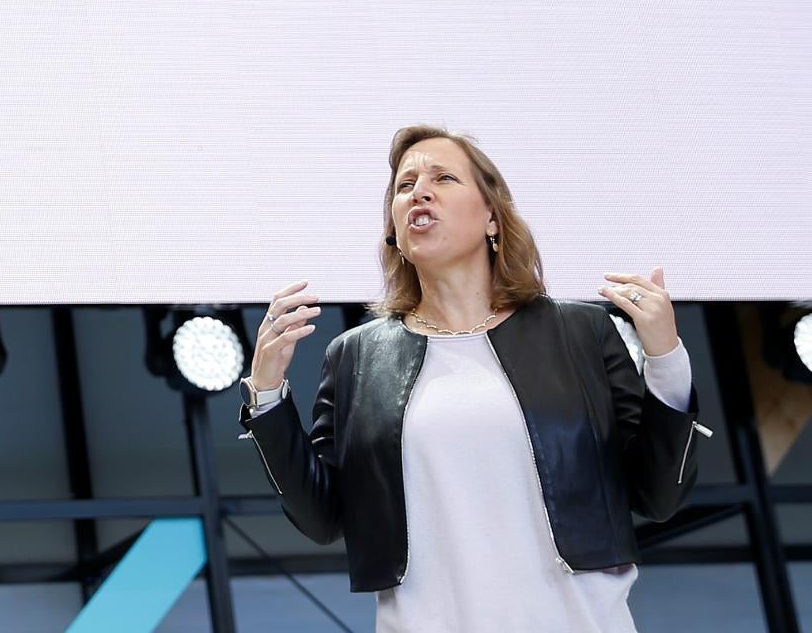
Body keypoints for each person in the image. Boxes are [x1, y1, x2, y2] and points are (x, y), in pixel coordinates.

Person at [238, 124, 712, 631]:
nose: (419, 190)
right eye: (404, 185)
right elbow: (322, 517)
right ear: (395, 232)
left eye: (443, 178)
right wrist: (267, 395)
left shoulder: (581, 332)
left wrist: (664, 355)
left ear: (492, 216)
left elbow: (660, 496)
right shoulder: (357, 356)